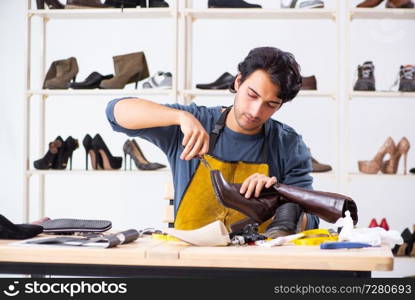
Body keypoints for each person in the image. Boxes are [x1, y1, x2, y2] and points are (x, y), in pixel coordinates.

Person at [106, 47, 319, 237]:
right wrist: (181, 117)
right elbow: (115, 112)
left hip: (256, 263)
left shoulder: (288, 143)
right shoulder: (195, 123)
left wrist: (276, 196)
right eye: (252, 95)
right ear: (238, 82)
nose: (256, 111)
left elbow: (310, 221)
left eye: (270, 104)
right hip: (189, 261)